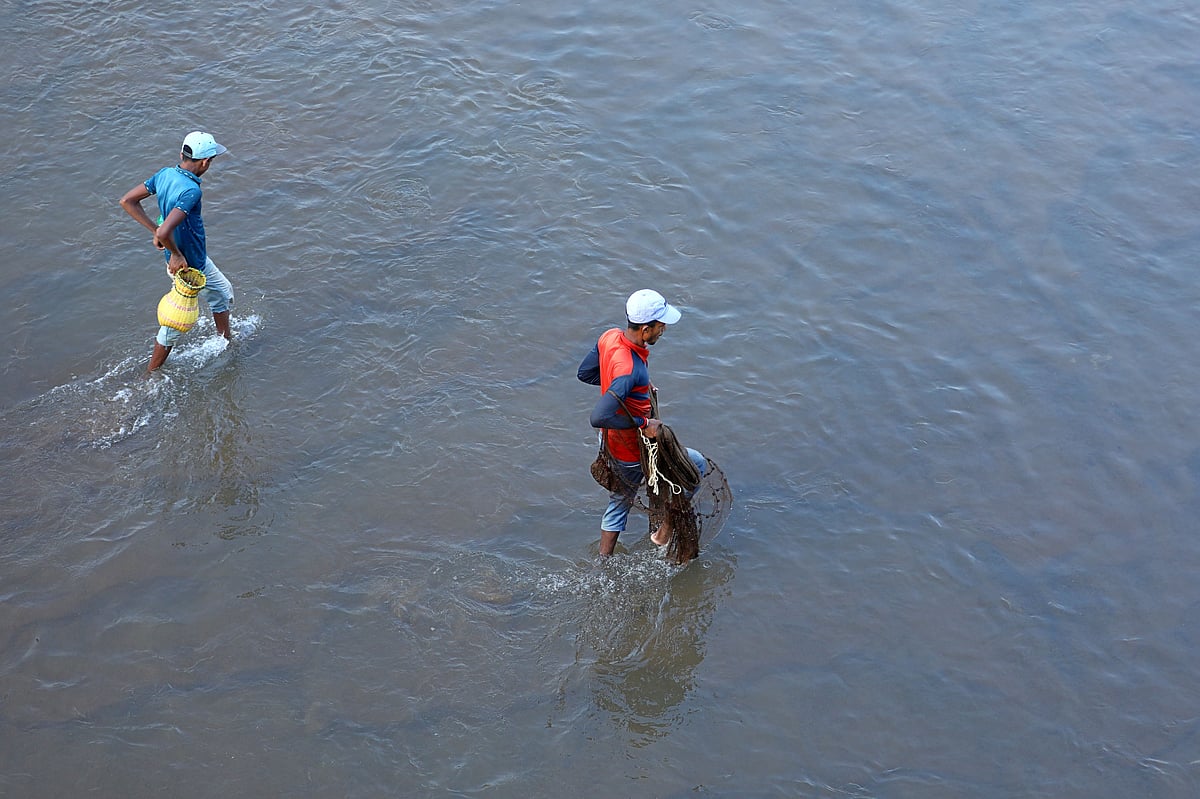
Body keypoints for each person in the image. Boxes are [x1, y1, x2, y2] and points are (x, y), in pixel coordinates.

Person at [578, 289, 707, 557]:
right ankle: (665, 530)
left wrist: (630, 391)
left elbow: (585, 373)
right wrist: (641, 421)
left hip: (609, 442)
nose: (663, 331)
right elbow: (598, 416)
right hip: (632, 449)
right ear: (646, 329)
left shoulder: (609, 337)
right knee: (695, 467)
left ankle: (604, 561)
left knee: (620, 500)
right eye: (661, 327)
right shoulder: (631, 369)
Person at [119, 131, 235, 373]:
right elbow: (163, 234)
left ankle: (224, 342)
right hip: (189, 263)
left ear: (182, 154)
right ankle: (151, 373)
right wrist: (175, 253)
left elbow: (127, 201)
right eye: (211, 160)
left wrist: (156, 230)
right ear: (205, 162)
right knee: (174, 322)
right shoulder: (192, 191)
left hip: (185, 256)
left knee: (223, 293)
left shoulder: (165, 174)